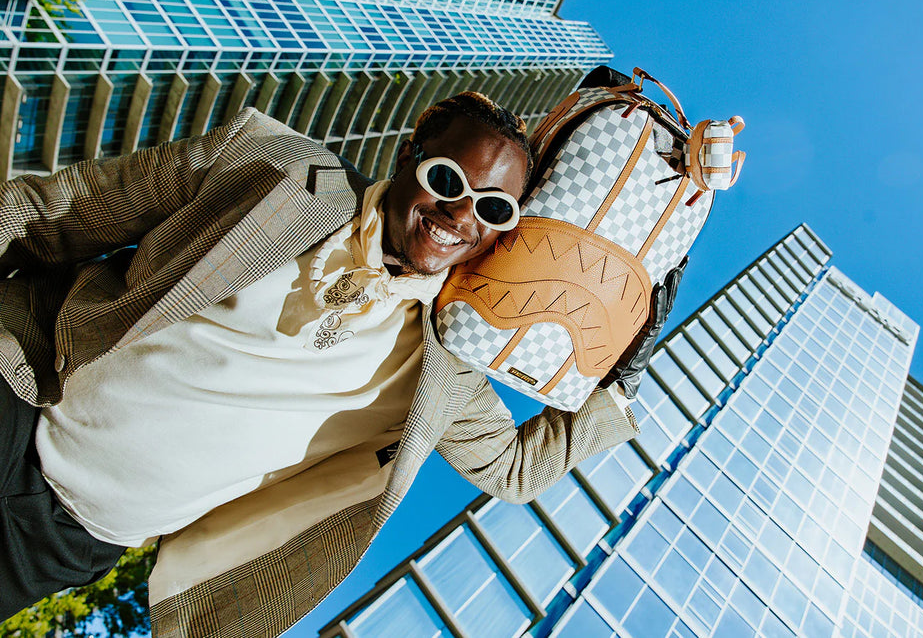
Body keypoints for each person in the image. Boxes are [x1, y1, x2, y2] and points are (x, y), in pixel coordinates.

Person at [0, 91, 678, 636]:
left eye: (491, 208)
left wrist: (627, 373)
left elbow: (516, 469)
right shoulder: (274, 163)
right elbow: (53, 215)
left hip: (71, 537)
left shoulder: (444, 364)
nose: (459, 212)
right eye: (448, 179)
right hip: (19, 397)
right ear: (411, 152)